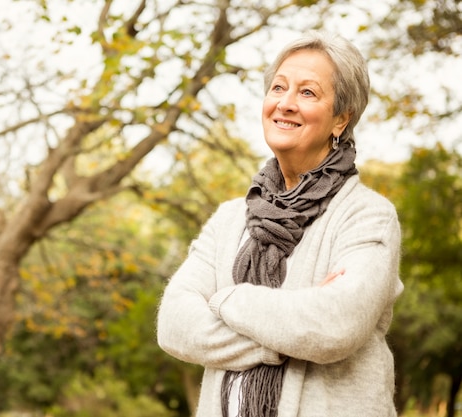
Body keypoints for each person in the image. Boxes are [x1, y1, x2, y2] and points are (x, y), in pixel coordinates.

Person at [156, 31, 403, 417]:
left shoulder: (368, 216)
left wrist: (227, 300)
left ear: (341, 118)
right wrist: (283, 334)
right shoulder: (229, 220)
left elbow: (334, 325)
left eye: (307, 93)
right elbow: (174, 325)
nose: (285, 104)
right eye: (278, 88)